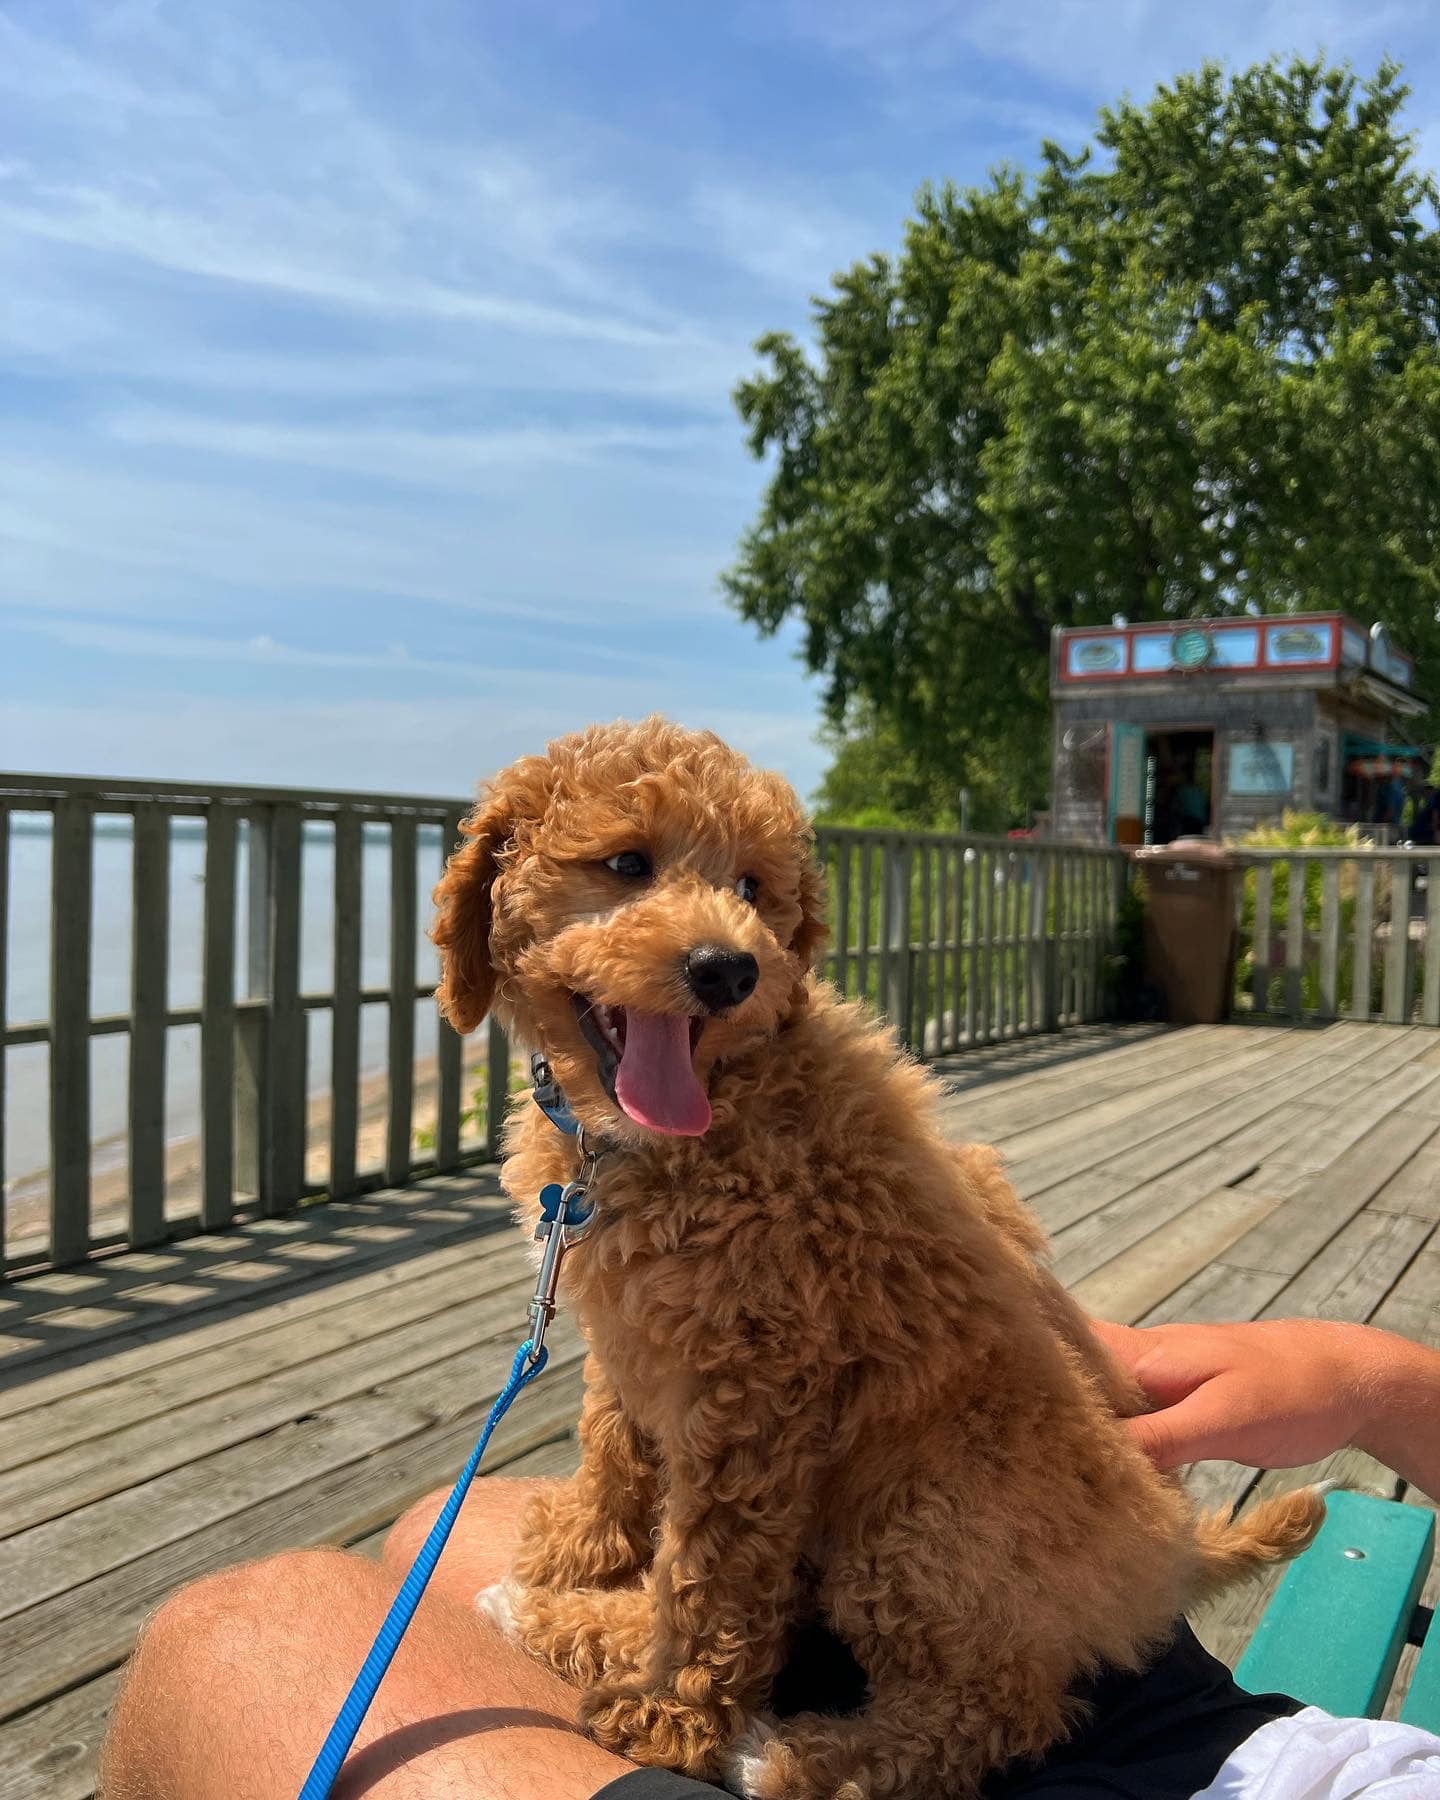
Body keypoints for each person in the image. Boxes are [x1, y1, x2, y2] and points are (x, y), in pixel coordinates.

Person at [99, 1318, 1440, 1799]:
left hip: (1004, 1715)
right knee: (475, 1534)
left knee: (253, 1634)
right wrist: (1377, 1386)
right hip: (1225, 1740)